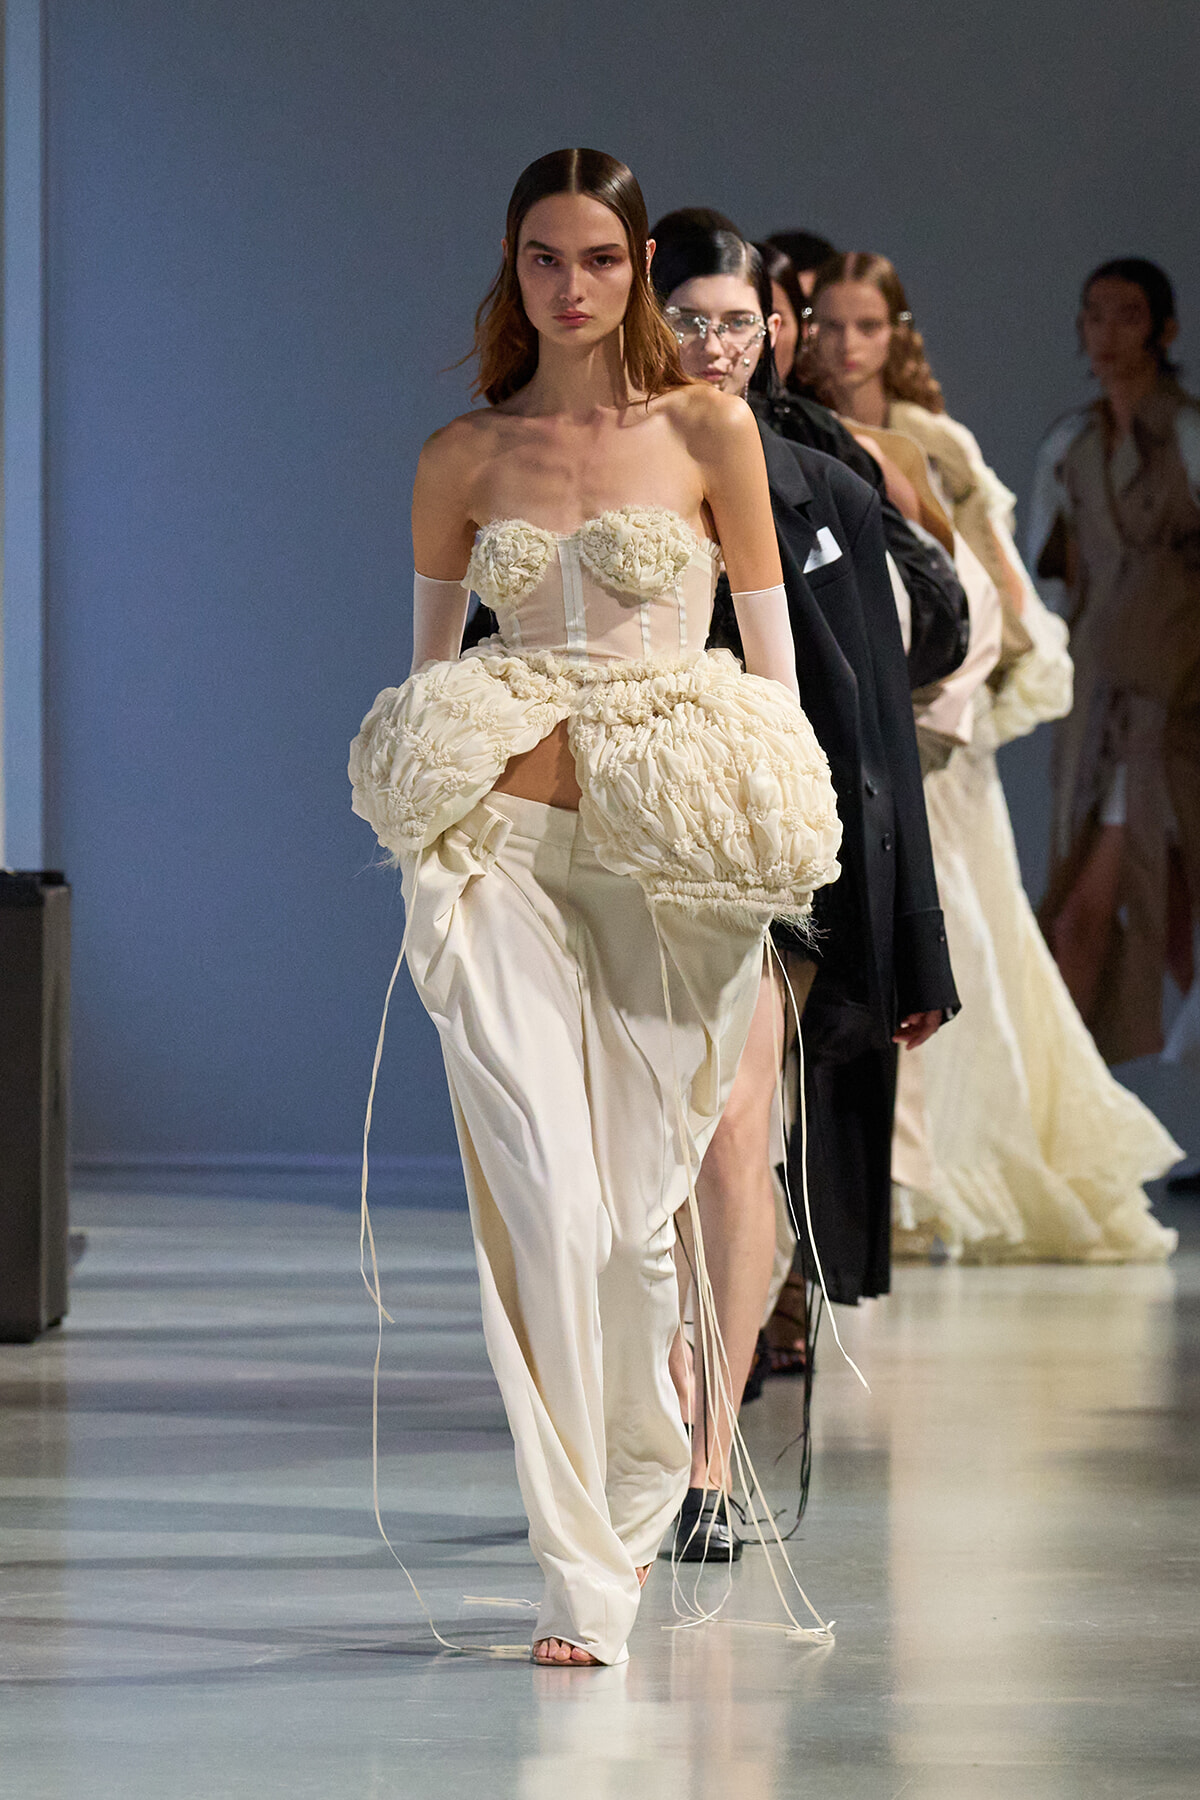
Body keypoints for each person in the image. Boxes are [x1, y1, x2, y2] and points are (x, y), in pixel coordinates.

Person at [348, 150, 842, 1666]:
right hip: (499, 848)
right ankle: (586, 1575)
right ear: (513, 268)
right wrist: (421, 818)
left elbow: (774, 663)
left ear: (638, 266)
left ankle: (643, 1480)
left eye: (605, 260)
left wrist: (788, 857)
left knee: (631, 1224)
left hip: (665, 860)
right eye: (547, 258)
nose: (576, 286)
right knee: (545, 1202)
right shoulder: (460, 456)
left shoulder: (706, 429)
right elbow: (433, 681)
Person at [647, 212, 956, 1533]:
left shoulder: (820, 478)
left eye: (738, 321)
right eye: (689, 320)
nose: (715, 347)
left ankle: (707, 1461)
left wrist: (915, 937)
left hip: (775, 855)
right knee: (625, 1168)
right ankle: (639, 1431)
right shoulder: (577, 469)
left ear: (774, 331)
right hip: (611, 854)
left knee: (725, 1140)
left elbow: (880, 709)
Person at [804, 252, 1180, 1262]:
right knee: (929, 940)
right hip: (886, 727)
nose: (844, 346)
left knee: (968, 940)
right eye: (828, 325)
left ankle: (946, 1175)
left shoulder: (929, 443)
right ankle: (901, 1177)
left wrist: (944, 704)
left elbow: (996, 593)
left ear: (897, 334)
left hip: (946, 729)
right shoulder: (804, 435)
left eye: (865, 328)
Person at [1029, 259, 1200, 1070]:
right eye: (1093, 315)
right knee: (1103, 918)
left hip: (1180, 712)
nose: (1107, 333)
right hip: (1104, 713)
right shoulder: (1074, 445)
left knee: (1166, 921)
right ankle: (1061, 1130)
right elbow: (1055, 572)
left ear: (1163, 329)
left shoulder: (1190, 436)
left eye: (1127, 316)